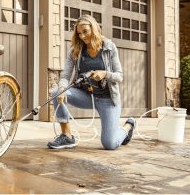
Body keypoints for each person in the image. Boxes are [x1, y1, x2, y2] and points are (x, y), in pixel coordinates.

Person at [47, 15, 136, 150]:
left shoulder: (109, 47)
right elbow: (65, 75)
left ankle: (128, 126)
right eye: (79, 33)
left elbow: (120, 76)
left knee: (110, 144)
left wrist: (105, 74)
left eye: (85, 31)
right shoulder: (75, 51)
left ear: (93, 29)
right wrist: (62, 88)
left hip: (107, 99)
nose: (82, 36)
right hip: (86, 96)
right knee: (56, 92)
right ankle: (67, 136)